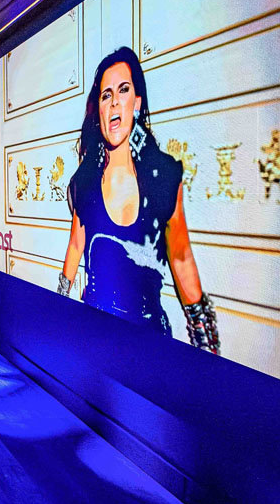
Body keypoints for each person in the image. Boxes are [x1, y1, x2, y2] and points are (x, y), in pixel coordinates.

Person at [58, 46, 220, 354]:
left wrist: (207, 349)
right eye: (106, 95)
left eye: (123, 90)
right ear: (99, 109)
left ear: (137, 102)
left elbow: (181, 257)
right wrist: (59, 306)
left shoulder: (164, 176)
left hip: (149, 344)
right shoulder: (84, 181)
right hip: (94, 339)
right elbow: (76, 244)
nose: (114, 101)